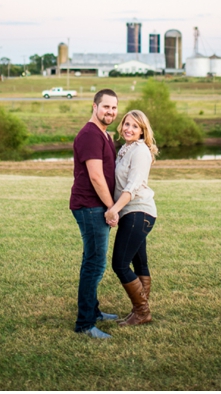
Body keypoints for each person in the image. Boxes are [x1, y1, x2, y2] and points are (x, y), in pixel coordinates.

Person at [70, 88, 120, 339]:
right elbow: (96, 176)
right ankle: (85, 324)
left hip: (95, 205)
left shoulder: (104, 134)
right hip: (90, 206)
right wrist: (111, 208)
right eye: (106, 107)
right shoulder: (90, 134)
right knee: (95, 264)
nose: (110, 112)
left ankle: (94, 311)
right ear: (94, 106)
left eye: (114, 108)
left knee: (92, 260)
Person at [105, 109, 158, 326]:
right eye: (127, 124)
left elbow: (132, 187)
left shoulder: (140, 151)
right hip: (133, 212)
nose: (129, 129)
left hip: (138, 212)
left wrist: (114, 209)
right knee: (139, 262)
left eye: (135, 126)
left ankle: (142, 311)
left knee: (120, 264)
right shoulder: (126, 149)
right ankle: (140, 311)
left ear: (143, 131)